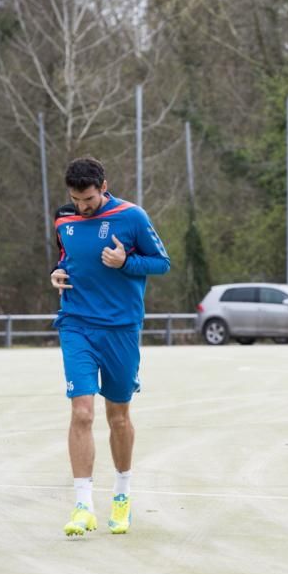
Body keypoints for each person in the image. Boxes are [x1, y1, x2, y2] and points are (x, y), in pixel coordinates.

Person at [49, 157, 171, 536]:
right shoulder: (64, 220)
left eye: (88, 198)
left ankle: (122, 495)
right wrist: (56, 273)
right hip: (77, 325)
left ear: (104, 186)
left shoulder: (132, 217)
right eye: (76, 199)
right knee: (82, 412)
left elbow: (162, 263)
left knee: (118, 416)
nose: (82, 207)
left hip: (121, 328)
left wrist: (125, 263)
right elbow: (67, 259)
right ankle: (83, 505)